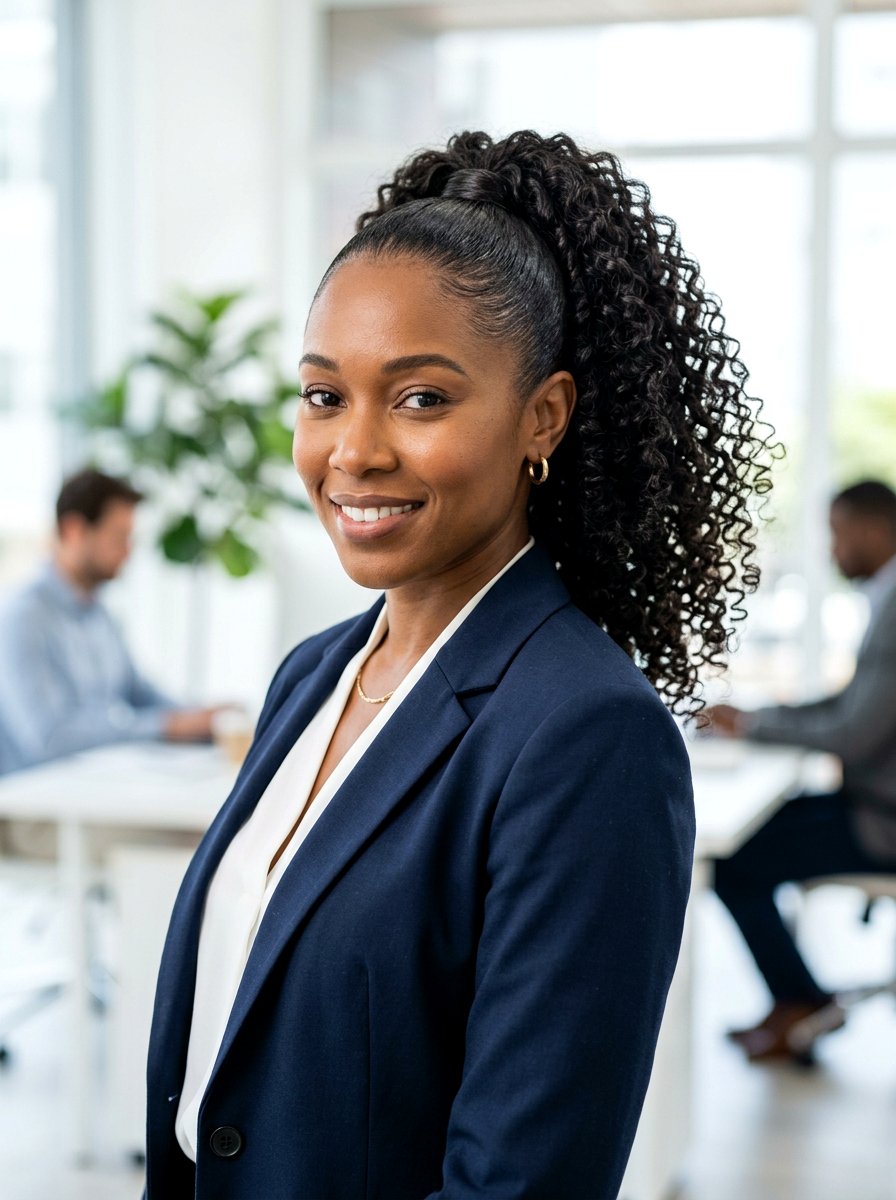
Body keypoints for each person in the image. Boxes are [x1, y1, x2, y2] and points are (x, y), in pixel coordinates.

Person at [145, 130, 774, 1200]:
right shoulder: (313, 675)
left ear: (543, 416)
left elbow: (523, 1181)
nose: (354, 451)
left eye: (421, 398)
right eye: (323, 395)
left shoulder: (583, 733)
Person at [708, 479, 896, 1062]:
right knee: (769, 831)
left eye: (838, 535)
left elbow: (851, 734)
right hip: (874, 803)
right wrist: (757, 718)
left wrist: (755, 726)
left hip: (882, 822)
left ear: (872, 529)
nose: (832, 551)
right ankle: (794, 1003)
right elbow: (850, 704)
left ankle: (802, 1002)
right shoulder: (886, 595)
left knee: (735, 862)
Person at [0, 468, 222, 775]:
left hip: (98, 789)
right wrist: (167, 726)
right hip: (39, 807)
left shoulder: (99, 615)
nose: (128, 550)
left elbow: (139, 694)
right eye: (120, 537)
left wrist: (204, 718)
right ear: (74, 530)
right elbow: (50, 739)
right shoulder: (22, 618)